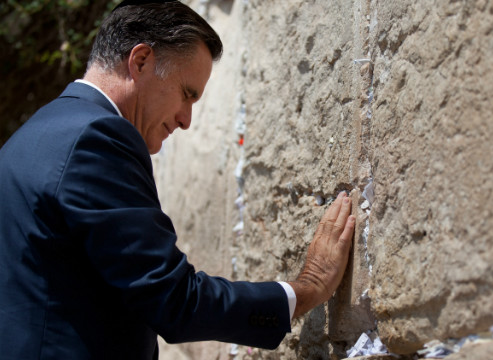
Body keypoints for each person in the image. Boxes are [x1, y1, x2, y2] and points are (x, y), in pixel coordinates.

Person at [0, 0, 355, 358]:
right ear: (140, 61)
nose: (186, 120)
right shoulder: (97, 138)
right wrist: (308, 288)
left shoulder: (28, 139)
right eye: (187, 94)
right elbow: (174, 301)